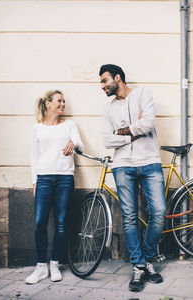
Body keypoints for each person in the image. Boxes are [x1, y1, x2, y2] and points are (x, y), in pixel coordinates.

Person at [99, 64, 166, 292]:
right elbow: (107, 140)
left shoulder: (142, 94)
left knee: (158, 212)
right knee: (129, 217)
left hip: (149, 162)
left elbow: (148, 123)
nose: (102, 86)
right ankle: (139, 266)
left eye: (105, 80)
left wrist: (122, 131)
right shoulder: (108, 110)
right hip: (123, 166)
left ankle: (147, 259)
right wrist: (132, 135)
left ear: (117, 78)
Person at [25, 90, 84, 284]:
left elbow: (80, 146)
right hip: (43, 179)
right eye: (59, 101)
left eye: (64, 101)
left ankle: (55, 263)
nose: (62, 104)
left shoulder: (69, 125)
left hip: (65, 178)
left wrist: (72, 142)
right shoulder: (37, 129)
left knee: (61, 223)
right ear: (48, 103)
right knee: (39, 222)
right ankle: (41, 266)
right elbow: (34, 157)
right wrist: (35, 181)